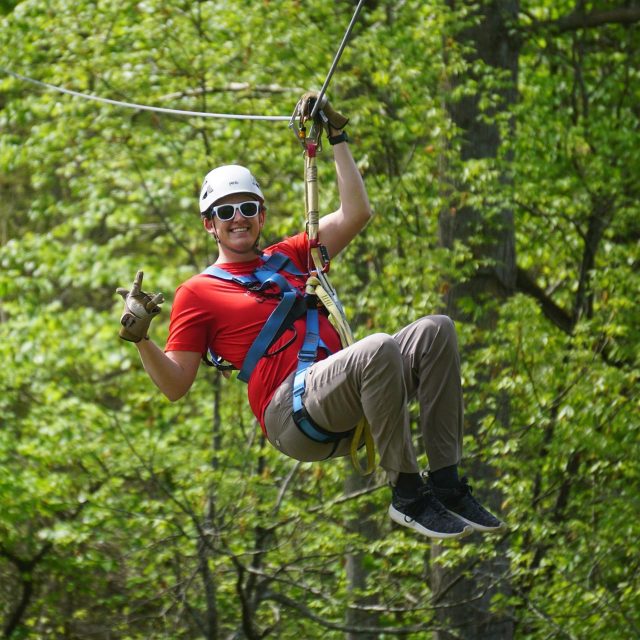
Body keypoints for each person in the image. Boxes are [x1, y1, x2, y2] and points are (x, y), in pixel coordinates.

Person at [116, 93, 504, 540]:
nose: (237, 218)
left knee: (438, 330)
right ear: (210, 224)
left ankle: (447, 483)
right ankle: (408, 495)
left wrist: (337, 137)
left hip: (343, 390)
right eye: (225, 212)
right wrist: (143, 339)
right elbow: (175, 386)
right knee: (376, 347)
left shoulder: (292, 255)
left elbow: (357, 213)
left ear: (261, 215)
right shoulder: (198, 292)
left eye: (247, 208)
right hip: (289, 411)